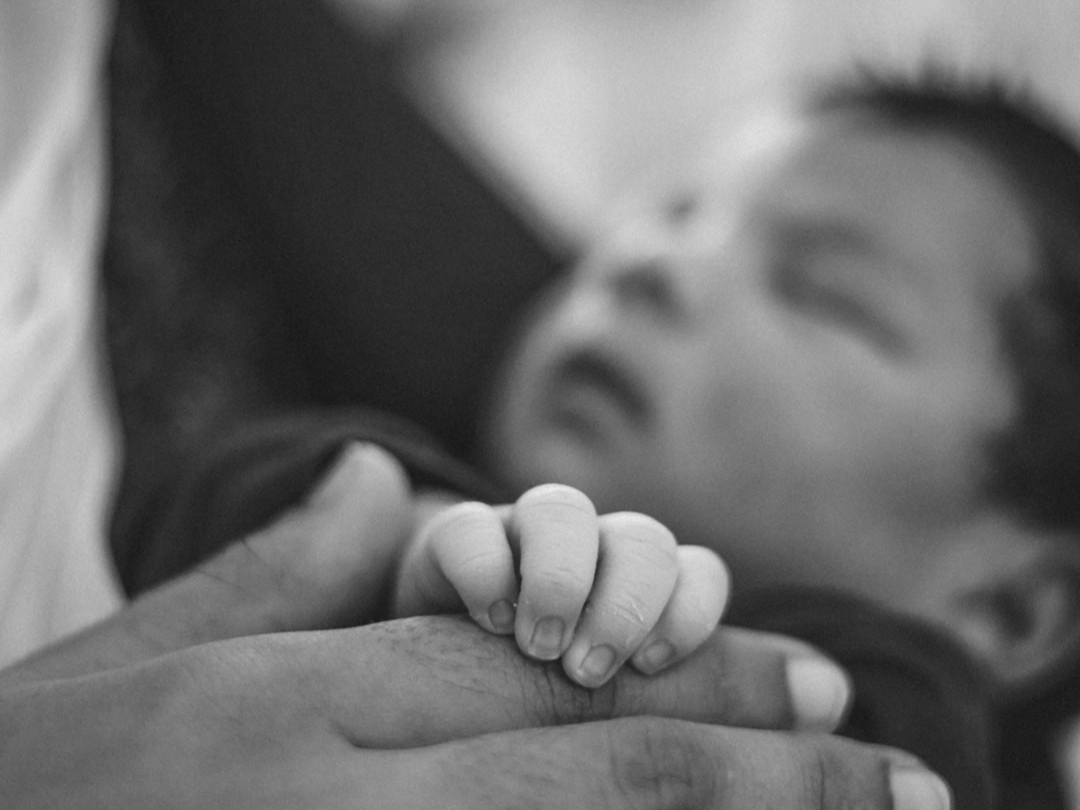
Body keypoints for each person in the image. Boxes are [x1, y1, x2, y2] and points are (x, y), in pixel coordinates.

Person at [0, 1, 959, 809]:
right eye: (663, 214)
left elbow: (901, 715)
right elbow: (182, 513)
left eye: (827, 292)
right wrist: (408, 539)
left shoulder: (926, 716)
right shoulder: (363, 451)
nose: (662, 267)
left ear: (1020, 603)